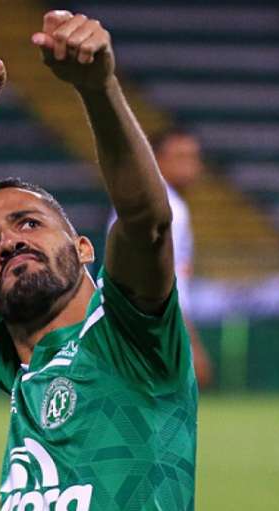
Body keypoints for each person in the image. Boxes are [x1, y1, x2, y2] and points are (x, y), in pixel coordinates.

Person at [0, 10, 197, 511]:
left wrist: (98, 89)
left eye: (29, 223)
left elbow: (145, 218)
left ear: (85, 249)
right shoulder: (20, 362)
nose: (9, 242)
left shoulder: (132, 337)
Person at [108, 127, 213, 387]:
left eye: (194, 157)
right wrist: (187, 340)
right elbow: (163, 281)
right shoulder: (165, 208)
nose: (192, 165)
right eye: (181, 157)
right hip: (148, 328)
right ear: (155, 160)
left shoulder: (142, 200)